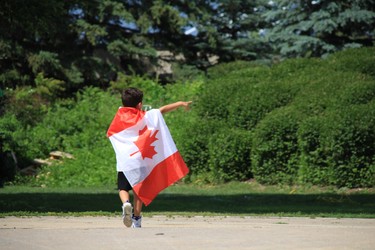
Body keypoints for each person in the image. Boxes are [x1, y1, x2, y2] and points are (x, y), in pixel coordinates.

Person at [115, 87, 192, 228]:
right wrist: (181, 103)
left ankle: (126, 204)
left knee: (123, 188)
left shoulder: (119, 118)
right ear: (139, 104)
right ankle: (136, 219)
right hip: (141, 161)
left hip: (126, 161)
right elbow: (161, 110)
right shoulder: (146, 116)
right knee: (139, 190)